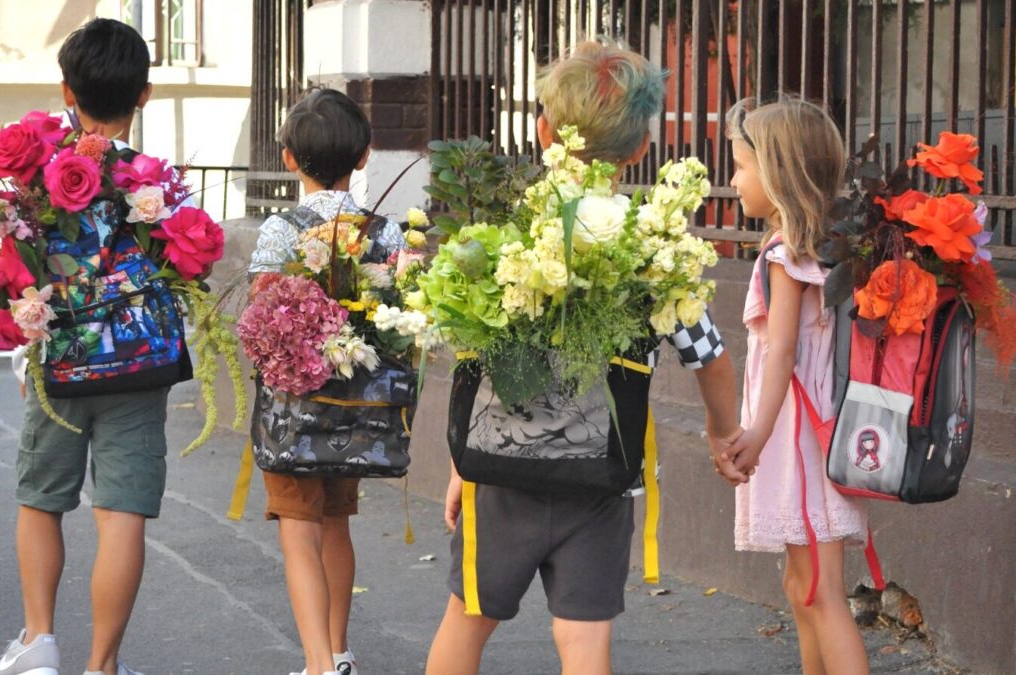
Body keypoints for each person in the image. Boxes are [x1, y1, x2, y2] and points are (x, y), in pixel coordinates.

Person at [423, 39, 745, 675]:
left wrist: (464, 462)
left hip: (502, 474)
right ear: (640, 149)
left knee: (466, 623)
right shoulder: (654, 246)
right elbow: (709, 355)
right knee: (584, 642)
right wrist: (723, 434)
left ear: (544, 132)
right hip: (601, 478)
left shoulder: (510, 233)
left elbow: (478, 356)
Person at [0, 18, 162, 675]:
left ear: (66, 89)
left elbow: (9, 262)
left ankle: (39, 640)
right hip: (140, 362)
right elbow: (179, 263)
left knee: (41, 497)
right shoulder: (155, 184)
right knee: (123, 512)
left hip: (58, 358)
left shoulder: (40, 174)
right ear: (143, 95)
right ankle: (102, 664)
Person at [248, 87, 405, 675]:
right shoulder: (386, 234)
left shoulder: (278, 232)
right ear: (363, 156)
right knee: (337, 523)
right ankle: (339, 654)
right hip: (357, 410)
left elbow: (261, 316)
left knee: (298, 529)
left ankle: (316, 665)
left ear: (288, 158)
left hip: (295, 410)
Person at [720, 96, 871, 675]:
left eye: (741, 166)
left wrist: (754, 433)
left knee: (820, 591)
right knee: (801, 584)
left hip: (796, 439)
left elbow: (782, 349)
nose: (733, 180)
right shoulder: (808, 252)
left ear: (778, 174)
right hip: (804, 435)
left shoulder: (787, 257)